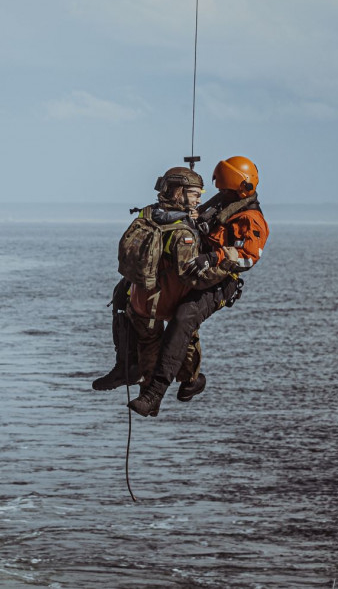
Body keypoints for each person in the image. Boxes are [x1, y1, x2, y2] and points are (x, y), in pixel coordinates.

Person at [128, 155, 270, 417]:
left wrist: (213, 257)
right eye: (221, 189)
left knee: (184, 317)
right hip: (197, 269)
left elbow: (249, 257)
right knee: (129, 294)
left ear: (241, 188)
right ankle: (141, 370)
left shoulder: (250, 218)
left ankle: (155, 393)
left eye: (226, 189)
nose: (222, 193)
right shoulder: (221, 204)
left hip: (222, 280)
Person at [92, 167, 207, 409]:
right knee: (184, 337)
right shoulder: (182, 231)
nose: (199, 198)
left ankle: (140, 386)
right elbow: (191, 275)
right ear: (178, 192)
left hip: (140, 299)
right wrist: (223, 269)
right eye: (195, 193)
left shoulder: (146, 217)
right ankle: (190, 381)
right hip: (171, 300)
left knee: (147, 343)